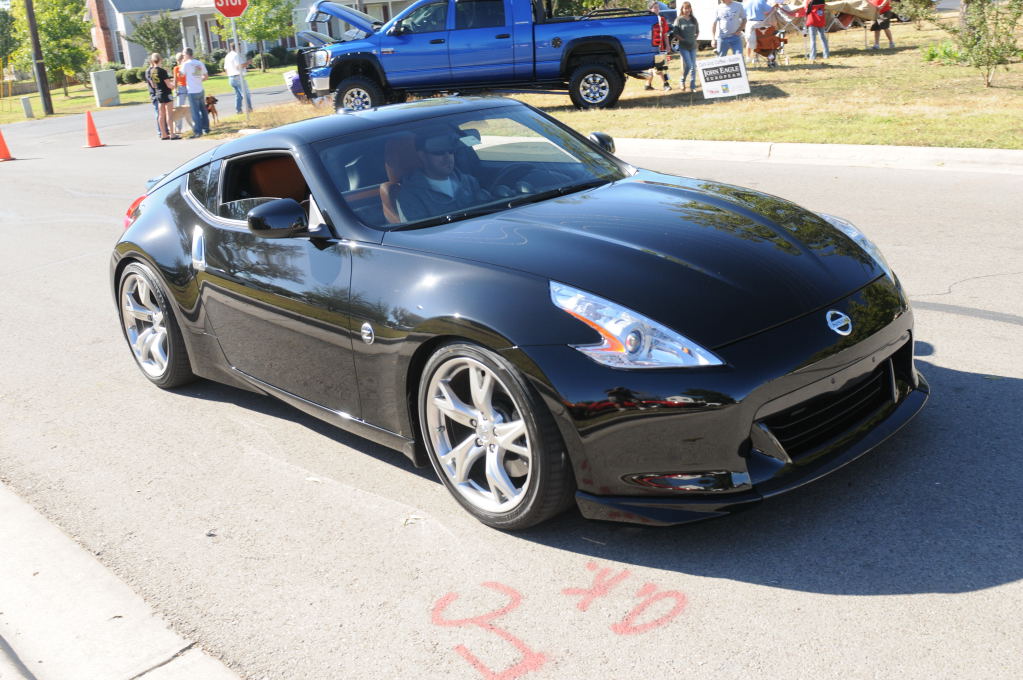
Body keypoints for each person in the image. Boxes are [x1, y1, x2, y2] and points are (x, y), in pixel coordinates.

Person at [395, 130, 491, 223]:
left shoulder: (469, 182)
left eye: (450, 151)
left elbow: (488, 211)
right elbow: (420, 233)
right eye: (439, 152)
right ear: (422, 156)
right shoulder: (410, 195)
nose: (447, 157)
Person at [145, 53, 179, 140]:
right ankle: (172, 134)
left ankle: (163, 134)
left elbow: (153, 85)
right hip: (166, 94)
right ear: (160, 59)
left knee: (161, 114)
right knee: (169, 114)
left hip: (158, 94)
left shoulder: (151, 71)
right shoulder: (162, 71)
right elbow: (169, 85)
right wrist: (174, 84)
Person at [179, 48, 210, 138]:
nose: (183, 56)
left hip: (192, 91)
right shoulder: (199, 63)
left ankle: (198, 131)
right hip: (200, 89)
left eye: (183, 55)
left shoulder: (186, 64)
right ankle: (206, 128)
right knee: (203, 110)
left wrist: (181, 64)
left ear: (187, 54)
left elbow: (180, 74)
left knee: (195, 112)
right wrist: (199, 80)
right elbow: (206, 76)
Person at [645, 2, 672, 91]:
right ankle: (665, 84)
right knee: (658, 67)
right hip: (650, 47)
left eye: (658, 7)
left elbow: (665, 34)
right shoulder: (646, 20)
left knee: (658, 66)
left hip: (660, 47)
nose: (657, 9)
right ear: (650, 9)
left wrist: (667, 45)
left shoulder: (662, 20)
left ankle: (647, 84)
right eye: (655, 8)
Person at [673, 1, 699, 91]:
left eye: (688, 8)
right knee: (691, 66)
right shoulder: (679, 20)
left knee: (691, 67)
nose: (687, 10)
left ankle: (690, 85)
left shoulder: (693, 19)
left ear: (691, 9)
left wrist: (694, 39)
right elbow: (675, 33)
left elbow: (697, 31)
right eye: (685, 8)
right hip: (684, 47)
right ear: (682, 9)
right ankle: (687, 83)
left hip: (693, 46)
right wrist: (683, 40)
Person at [223, 42, 253, 114]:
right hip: (238, 77)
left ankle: (238, 110)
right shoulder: (236, 55)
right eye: (239, 47)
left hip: (231, 78)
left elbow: (225, 68)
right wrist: (248, 63)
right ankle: (249, 109)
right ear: (236, 47)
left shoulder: (227, 56)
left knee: (238, 95)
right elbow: (238, 66)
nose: (240, 48)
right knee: (246, 94)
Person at [172, 52, 189, 135]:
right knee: (180, 108)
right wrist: (175, 89)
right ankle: (178, 128)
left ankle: (179, 128)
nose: (179, 61)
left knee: (184, 107)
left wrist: (175, 89)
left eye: (180, 59)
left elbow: (176, 80)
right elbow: (175, 80)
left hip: (186, 87)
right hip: (183, 88)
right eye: (178, 59)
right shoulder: (176, 68)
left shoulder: (186, 66)